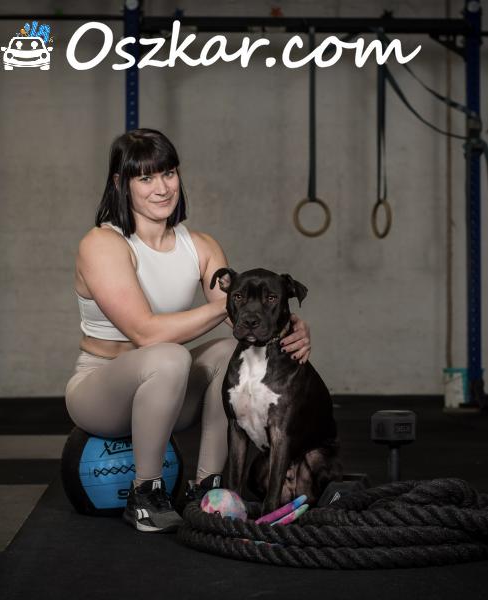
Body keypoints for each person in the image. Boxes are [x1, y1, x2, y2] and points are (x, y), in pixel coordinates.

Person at [65, 128, 312, 533]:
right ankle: (145, 494)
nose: (162, 188)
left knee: (227, 353)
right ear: (121, 183)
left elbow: (241, 323)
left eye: (169, 173)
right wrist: (224, 304)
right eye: (146, 178)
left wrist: (291, 328)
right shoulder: (103, 243)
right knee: (168, 354)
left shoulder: (200, 246)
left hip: (169, 396)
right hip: (100, 394)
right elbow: (145, 333)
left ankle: (208, 490)